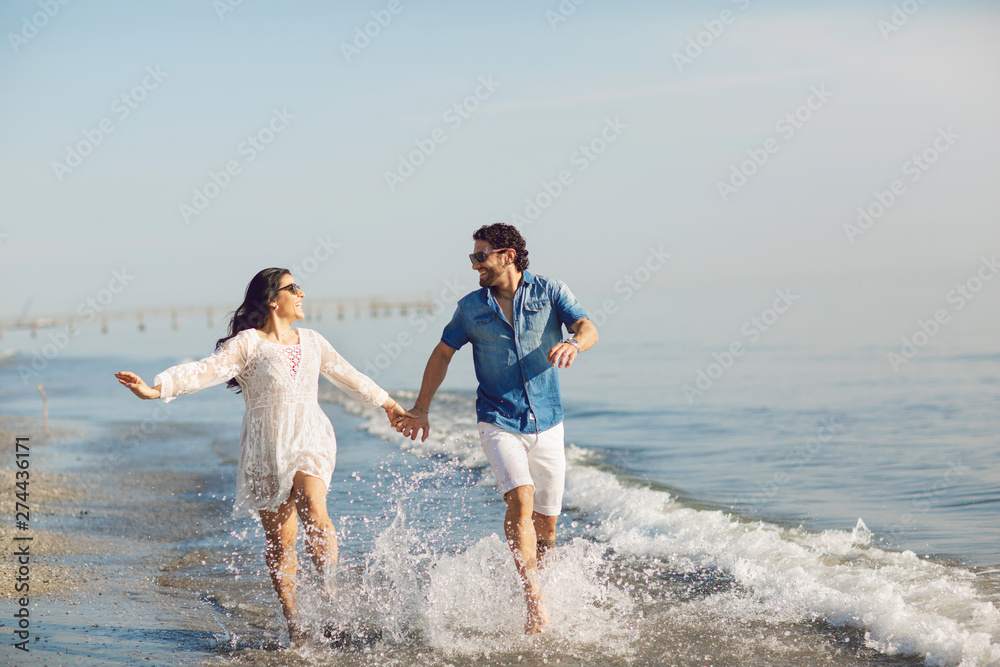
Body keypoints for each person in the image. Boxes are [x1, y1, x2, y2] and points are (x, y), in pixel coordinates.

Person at [115, 268, 413, 646]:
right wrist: (156, 390)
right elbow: (205, 370)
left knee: (313, 505)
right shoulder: (247, 344)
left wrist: (390, 405)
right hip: (264, 447)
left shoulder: (314, 341)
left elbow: (349, 376)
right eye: (294, 288)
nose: (302, 293)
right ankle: (296, 625)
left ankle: (330, 594)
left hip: (309, 436)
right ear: (274, 299)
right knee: (280, 541)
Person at [397, 223, 598, 634]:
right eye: (473, 258)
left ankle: (535, 580)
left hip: (549, 422)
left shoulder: (550, 291)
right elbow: (441, 353)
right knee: (521, 500)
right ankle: (533, 602)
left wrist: (573, 344)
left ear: (508, 255)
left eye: (480, 256)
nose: (474, 266)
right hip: (498, 420)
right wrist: (421, 407)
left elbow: (588, 328)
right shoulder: (471, 307)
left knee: (548, 527)